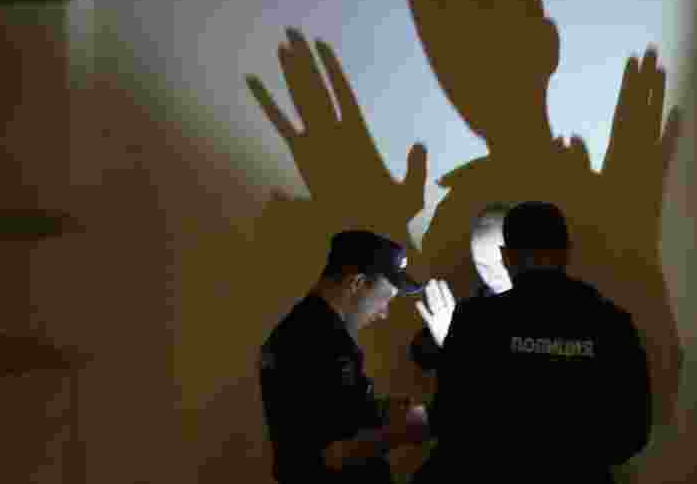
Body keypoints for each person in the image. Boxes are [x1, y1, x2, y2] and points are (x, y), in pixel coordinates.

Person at [413, 201, 652, 483]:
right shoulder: (611, 322)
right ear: (566, 252)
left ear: (506, 256)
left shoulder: (475, 320)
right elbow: (633, 431)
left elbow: (448, 419)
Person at [258, 229, 431, 483]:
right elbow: (331, 454)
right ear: (357, 284)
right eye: (385, 299)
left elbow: (333, 415)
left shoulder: (308, 331)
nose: (384, 313)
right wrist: (409, 430)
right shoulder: (315, 341)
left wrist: (379, 411)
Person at [409, 201, 515, 372]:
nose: (493, 275)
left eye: (500, 262)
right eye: (482, 265)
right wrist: (446, 339)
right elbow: (426, 355)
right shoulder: (477, 311)